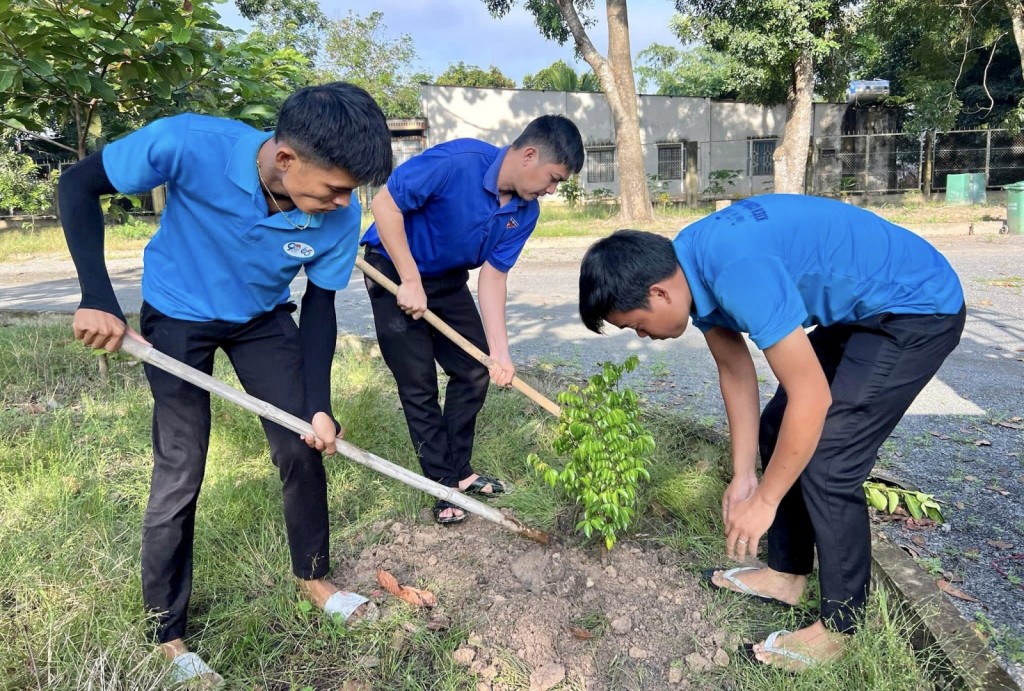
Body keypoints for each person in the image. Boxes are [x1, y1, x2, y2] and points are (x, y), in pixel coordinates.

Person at [58, 82, 393, 684]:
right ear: (285, 159)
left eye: (352, 191)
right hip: (178, 314)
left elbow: (319, 308)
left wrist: (318, 405)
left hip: (262, 320)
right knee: (182, 465)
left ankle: (314, 578)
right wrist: (97, 297)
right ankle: (168, 632)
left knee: (301, 445)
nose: (345, 203)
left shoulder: (340, 216)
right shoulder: (189, 142)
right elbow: (77, 184)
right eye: (335, 187)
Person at [577, 194, 965, 671]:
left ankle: (843, 630)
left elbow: (813, 398)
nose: (642, 336)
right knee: (778, 426)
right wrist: (744, 476)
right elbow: (736, 371)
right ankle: (786, 575)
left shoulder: (736, 271)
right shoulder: (687, 264)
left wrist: (766, 501)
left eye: (636, 324)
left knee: (829, 461)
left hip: (917, 307)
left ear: (659, 294)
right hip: (862, 312)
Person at [362, 115, 583, 524]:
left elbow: (494, 277)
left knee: (475, 370)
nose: (551, 190)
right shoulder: (457, 162)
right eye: (553, 179)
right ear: (529, 155)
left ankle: (460, 472)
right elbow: (385, 203)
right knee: (419, 382)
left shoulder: (525, 212)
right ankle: (441, 484)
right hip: (394, 268)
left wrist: (500, 352)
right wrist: (409, 279)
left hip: (447, 279)